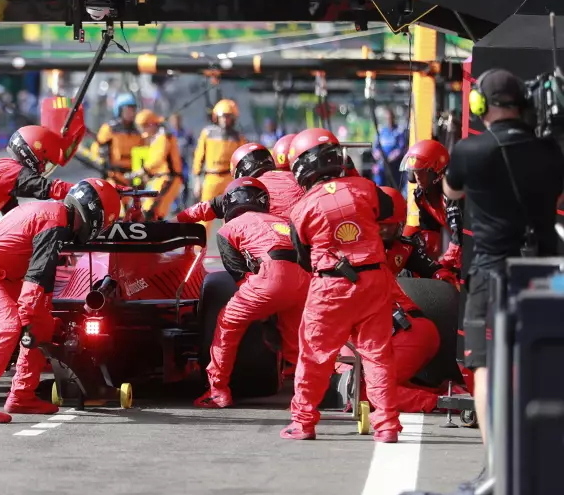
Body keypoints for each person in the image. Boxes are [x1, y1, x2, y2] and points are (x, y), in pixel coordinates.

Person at [443, 68, 564, 448]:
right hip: (545, 273)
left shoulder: (470, 150)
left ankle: (497, 463)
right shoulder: (550, 151)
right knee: (543, 364)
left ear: (480, 105)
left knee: (484, 367)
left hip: (490, 276)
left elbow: (452, 191)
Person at [0, 178, 121, 423]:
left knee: (41, 324)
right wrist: (33, 318)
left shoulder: (54, 213)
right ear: (94, 216)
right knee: (9, 325)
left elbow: (41, 287)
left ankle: (22, 395)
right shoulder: (55, 223)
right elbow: (34, 288)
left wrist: (46, 322)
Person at [284, 128, 401, 442]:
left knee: (314, 356)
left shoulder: (301, 208)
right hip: (374, 280)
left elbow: (303, 257)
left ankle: (303, 423)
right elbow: (388, 209)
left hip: (331, 288)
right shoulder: (366, 188)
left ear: (301, 168)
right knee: (378, 355)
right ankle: (387, 425)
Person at [336, 186, 462, 414]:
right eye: (379, 225)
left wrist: (446, 283)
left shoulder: (401, 248)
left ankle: (447, 403)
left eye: (388, 226)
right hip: (389, 330)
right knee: (365, 382)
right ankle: (447, 395)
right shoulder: (351, 252)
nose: (382, 232)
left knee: (366, 392)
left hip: (403, 328)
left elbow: (435, 270)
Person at [194, 177, 310, 408]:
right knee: (297, 342)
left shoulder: (228, 228)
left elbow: (238, 275)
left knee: (228, 321)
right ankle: (308, 397)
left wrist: (263, 312)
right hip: (303, 280)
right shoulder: (284, 221)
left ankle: (218, 390)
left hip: (270, 277)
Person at [175, 140, 303, 223]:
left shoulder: (247, 190)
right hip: (306, 245)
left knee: (228, 230)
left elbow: (204, 208)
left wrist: (171, 223)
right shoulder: (297, 179)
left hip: (273, 249)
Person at [401, 139, 462, 266]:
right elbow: (429, 232)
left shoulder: (453, 193)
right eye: (415, 172)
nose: (417, 177)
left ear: (437, 171)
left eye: (422, 171)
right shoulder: (420, 195)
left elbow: (460, 236)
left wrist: (445, 262)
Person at [192, 99, 246, 230]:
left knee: (230, 217)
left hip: (229, 179)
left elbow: (243, 160)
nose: (225, 119)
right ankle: (198, 249)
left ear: (233, 118)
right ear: (216, 116)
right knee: (204, 215)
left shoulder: (238, 137)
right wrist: (197, 180)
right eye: (223, 116)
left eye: (229, 116)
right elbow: (199, 157)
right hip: (211, 178)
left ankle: (230, 248)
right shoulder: (207, 133)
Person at [134, 110, 183, 221]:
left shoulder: (163, 137)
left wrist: (143, 170)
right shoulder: (157, 137)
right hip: (161, 179)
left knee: (151, 212)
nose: (142, 132)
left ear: (150, 124)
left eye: (143, 127)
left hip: (168, 179)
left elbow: (158, 159)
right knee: (151, 212)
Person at [92, 93, 144, 188]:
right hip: (114, 176)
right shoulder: (109, 129)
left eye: (133, 110)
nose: (131, 113)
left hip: (134, 177)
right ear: (119, 110)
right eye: (127, 110)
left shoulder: (138, 132)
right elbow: (96, 148)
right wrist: (102, 160)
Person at [372, 108, 408, 187]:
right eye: (387, 118)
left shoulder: (398, 131)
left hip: (394, 167)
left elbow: (401, 149)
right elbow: (375, 148)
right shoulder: (381, 131)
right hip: (382, 166)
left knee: (395, 186)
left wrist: (391, 157)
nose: (389, 120)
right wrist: (378, 155)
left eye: (390, 118)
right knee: (379, 185)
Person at [168, 113, 195, 208]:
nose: (176, 123)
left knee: (185, 181)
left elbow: (193, 146)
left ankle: (184, 203)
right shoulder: (169, 134)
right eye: (174, 121)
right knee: (172, 183)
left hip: (183, 162)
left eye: (177, 121)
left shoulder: (187, 133)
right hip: (171, 163)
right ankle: (174, 205)